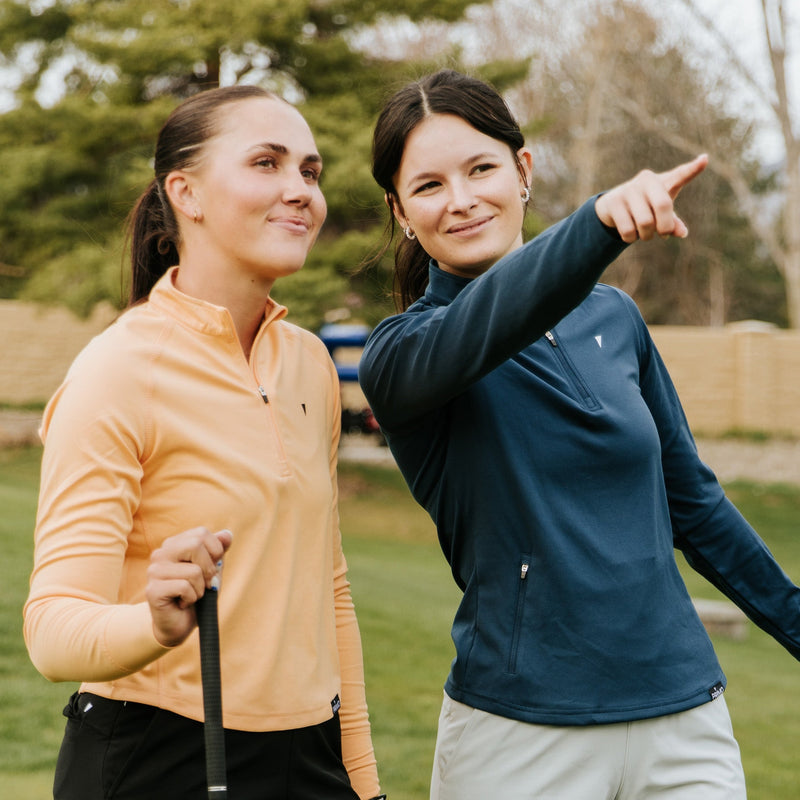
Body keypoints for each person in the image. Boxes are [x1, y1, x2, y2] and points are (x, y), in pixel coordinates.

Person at [358, 69, 800, 800]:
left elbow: (694, 505)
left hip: (684, 719)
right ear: (400, 212)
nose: (461, 199)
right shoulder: (403, 355)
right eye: (429, 185)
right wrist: (597, 224)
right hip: (519, 733)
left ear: (523, 171)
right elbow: (493, 316)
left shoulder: (614, 318)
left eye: (480, 169)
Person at [24, 85, 385, 800]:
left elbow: (329, 587)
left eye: (310, 171)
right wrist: (153, 624)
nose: (301, 191)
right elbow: (52, 630)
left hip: (311, 756)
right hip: (161, 757)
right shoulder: (118, 370)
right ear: (184, 192)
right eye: (266, 163)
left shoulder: (309, 362)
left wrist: (363, 779)